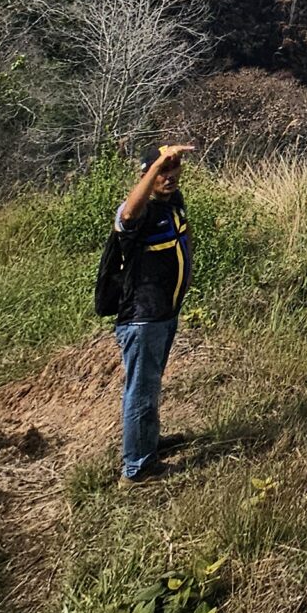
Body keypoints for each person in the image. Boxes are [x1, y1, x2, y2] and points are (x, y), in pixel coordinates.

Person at [112, 142, 197, 484]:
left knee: (150, 385)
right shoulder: (139, 211)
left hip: (164, 313)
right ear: (146, 175)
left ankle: (148, 443)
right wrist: (155, 165)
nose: (170, 176)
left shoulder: (171, 205)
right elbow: (128, 215)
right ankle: (137, 469)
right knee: (141, 390)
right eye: (162, 170)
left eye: (174, 169)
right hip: (142, 317)